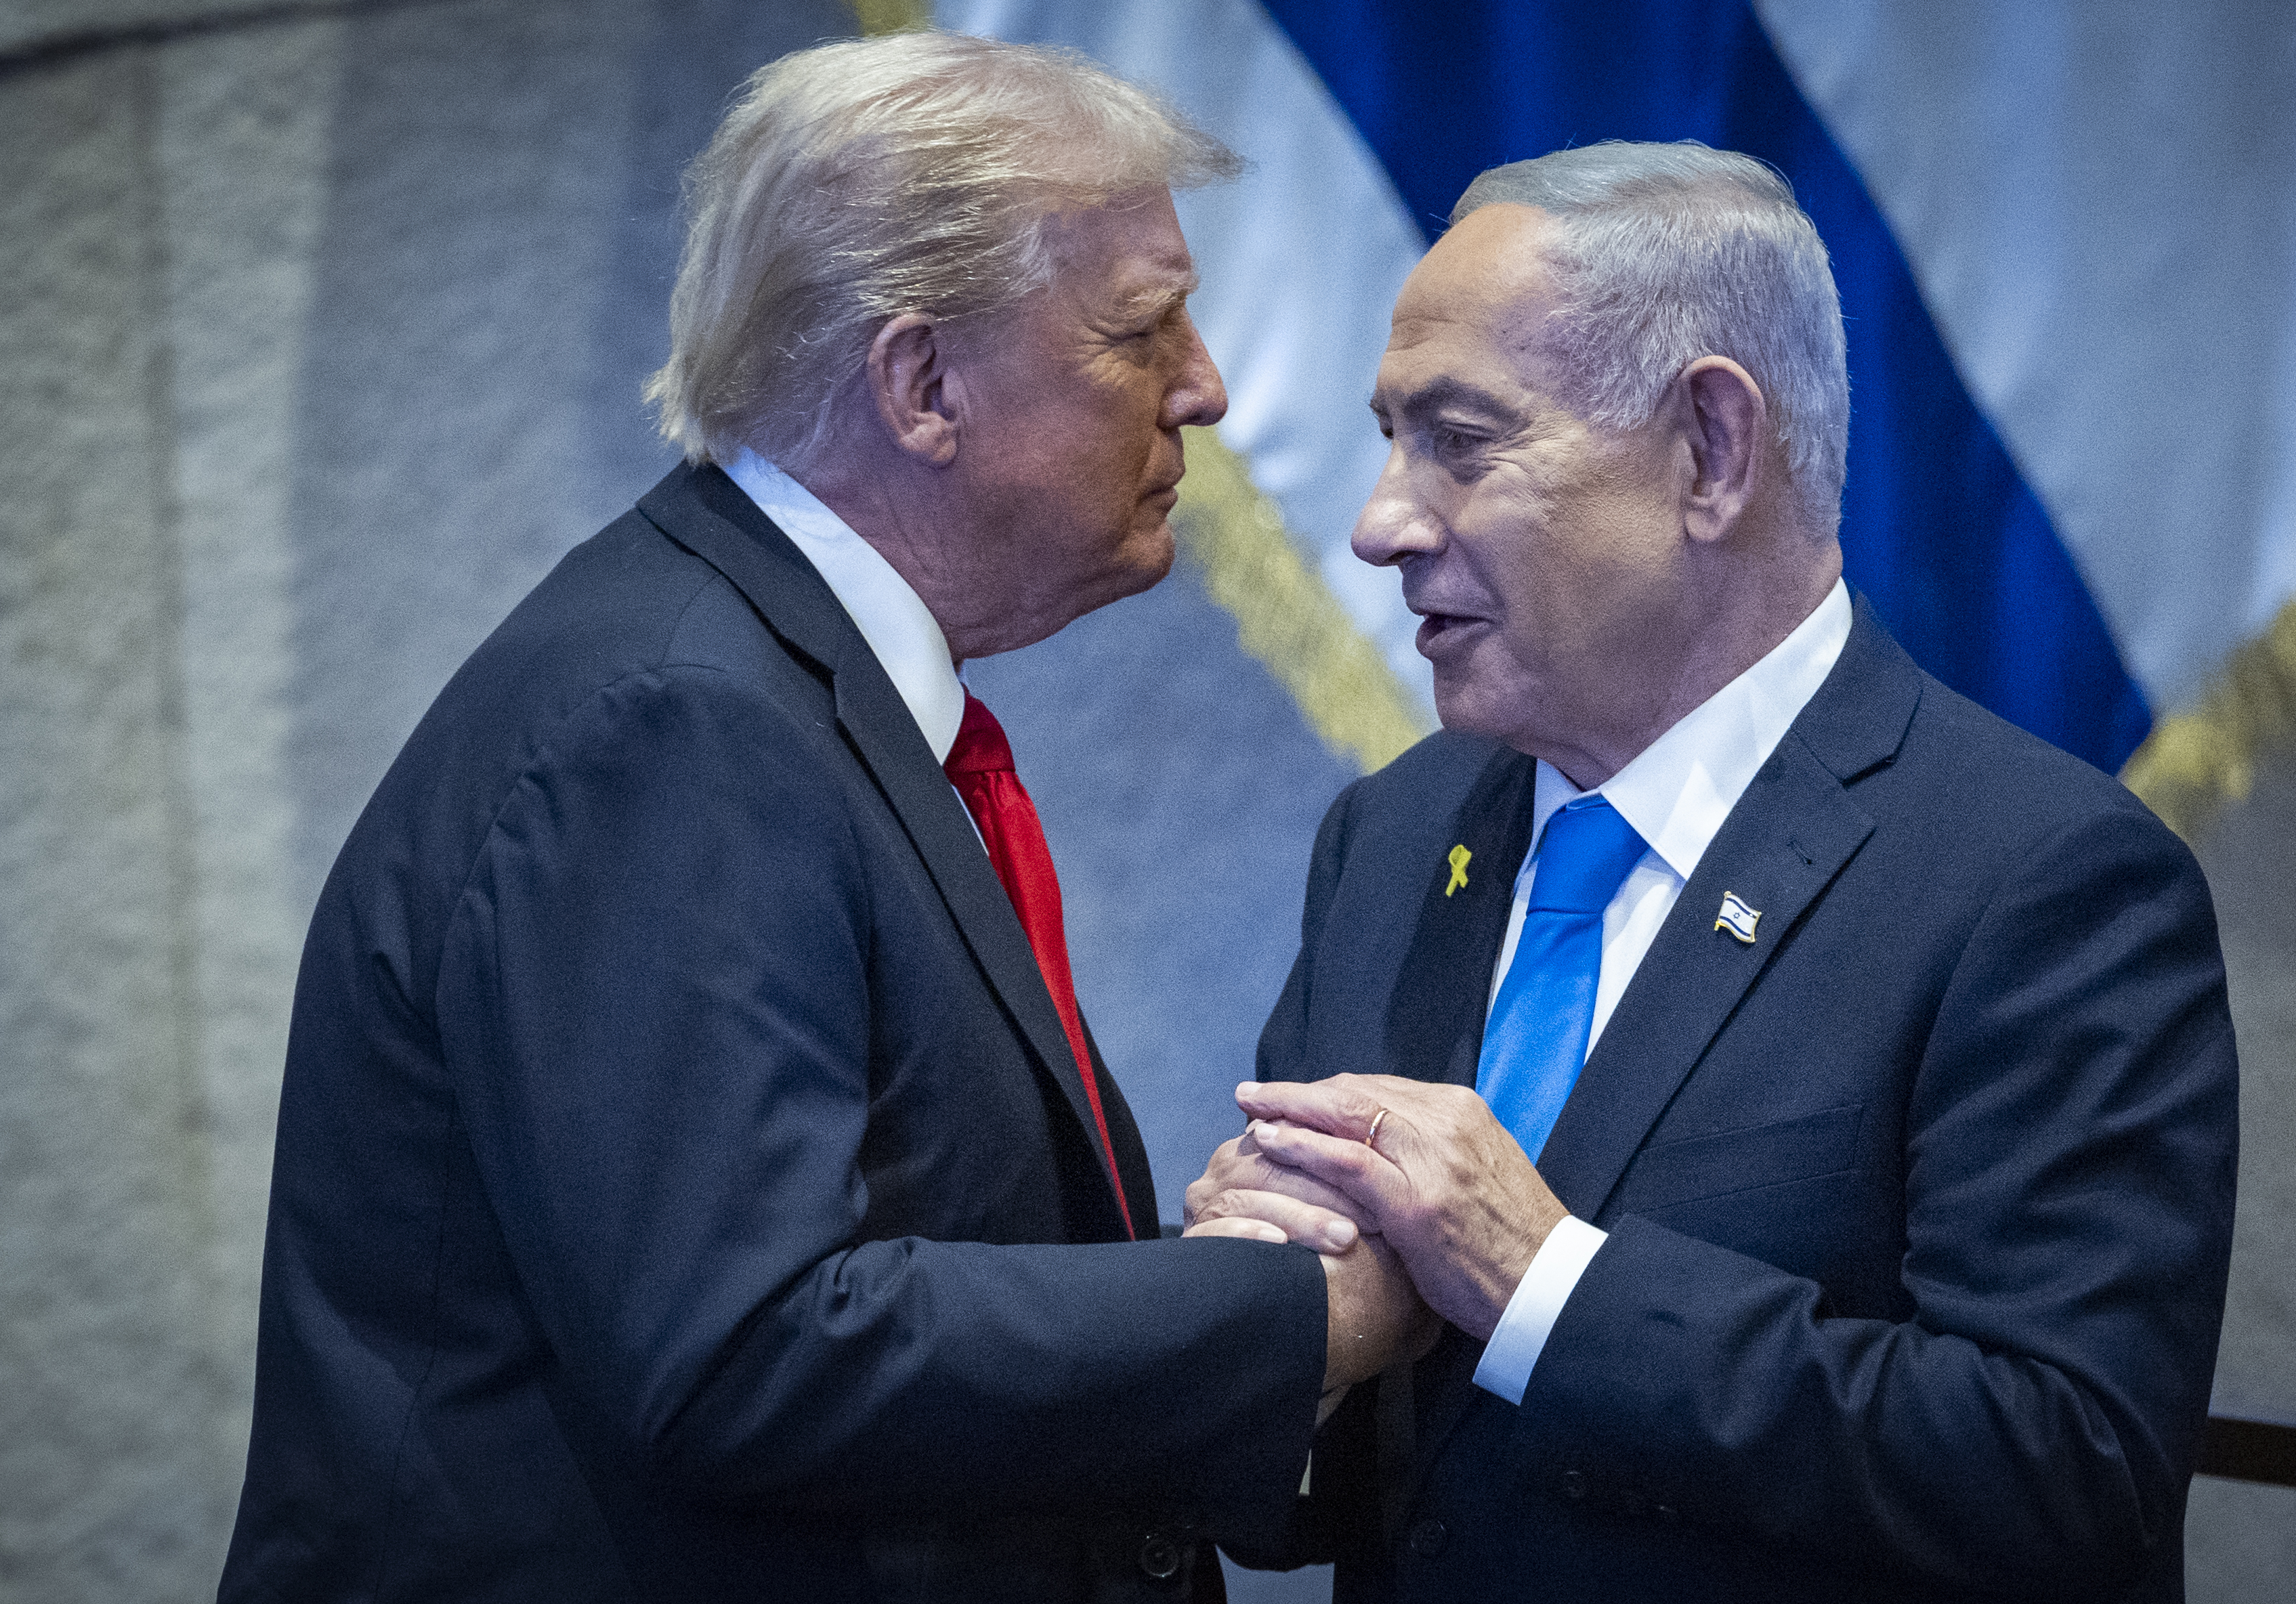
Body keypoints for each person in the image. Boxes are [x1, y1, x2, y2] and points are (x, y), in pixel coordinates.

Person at [219, 33, 1423, 1604]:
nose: (1202, 385)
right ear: (921, 383)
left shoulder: (774, 688)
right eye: (1141, 329)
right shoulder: (677, 727)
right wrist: (1291, 1312)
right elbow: (744, 1353)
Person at [1187, 142, 2238, 1603]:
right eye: (1387, 439)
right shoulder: (1390, 834)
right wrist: (1268, 1340)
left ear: (1710, 452)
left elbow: (2064, 1473)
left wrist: (1542, 1281)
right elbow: (1345, 1485)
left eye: (1461, 441)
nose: (1381, 522)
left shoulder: (2040, 881)